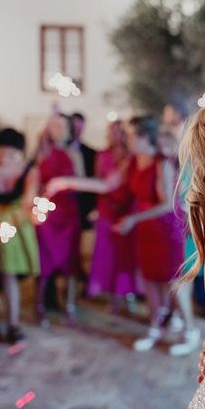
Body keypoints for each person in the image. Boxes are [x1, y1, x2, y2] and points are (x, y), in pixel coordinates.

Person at [47, 116, 185, 351]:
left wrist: (133, 218)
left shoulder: (161, 163)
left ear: (144, 137)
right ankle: (155, 328)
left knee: (170, 279)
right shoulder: (131, 162)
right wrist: (65, 182)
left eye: (131, 135)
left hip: (164, 227)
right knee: (148, 278)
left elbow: (167, 204)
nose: (126, 139)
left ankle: (186, 330)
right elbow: (106, 185)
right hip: (143, 227)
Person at [0, 128, 40, 343]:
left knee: (9, 273)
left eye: (10, 152)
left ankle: (13, 325)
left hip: (16, 223)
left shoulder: (29, 169)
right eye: (1, 152)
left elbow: (28, 201)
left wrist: (30, 215)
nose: (4, 157)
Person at [86, 120, 139, 312]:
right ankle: (113, 296)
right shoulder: (102, 155)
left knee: (126, 253)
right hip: (107, 208)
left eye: (118, 131)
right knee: (108, 253)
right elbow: (101, 182)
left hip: (128, 208)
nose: (114, 135)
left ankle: (128, 292)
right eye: (111, 132)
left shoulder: (132, 156)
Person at [35, 114, 82, 325]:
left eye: (62, 125)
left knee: (70, 259)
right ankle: (40, 305)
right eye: (53, 125)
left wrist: (65, 183)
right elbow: (33, 180)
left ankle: (70, 303)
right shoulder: (41, 151)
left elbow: (81, 181)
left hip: (68, 211)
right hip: (46, 212)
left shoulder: (74, 153)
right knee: (43, 259)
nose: (58, 129)